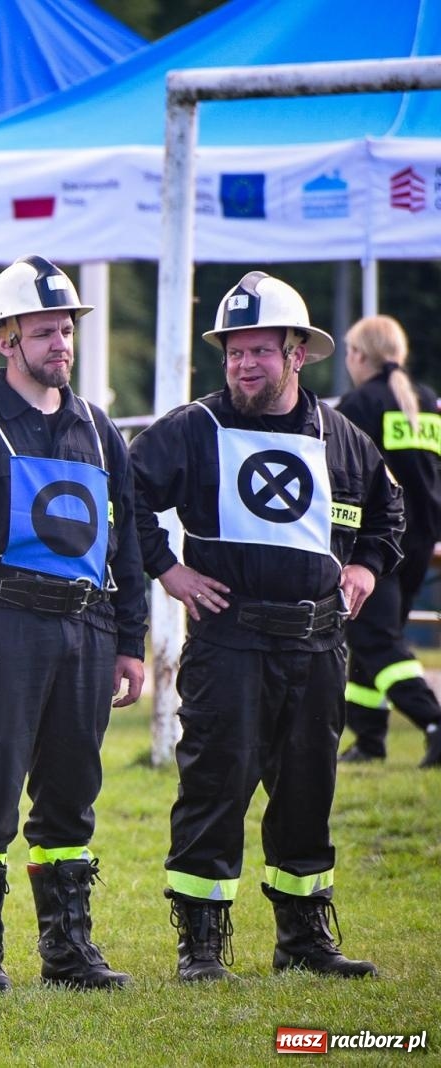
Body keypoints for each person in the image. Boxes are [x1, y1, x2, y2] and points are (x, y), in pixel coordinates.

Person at [130, 271, 403, 983]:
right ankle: (201, 947)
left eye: (260, 351)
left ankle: (304, 940)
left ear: (297, 354)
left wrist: (368, 566)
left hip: (316, 648)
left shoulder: (338, 436)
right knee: (214, 788)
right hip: (230, 644)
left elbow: (388, 511)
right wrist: (169, 570)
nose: (245, 365)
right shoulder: (196, 428)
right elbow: (124, 493)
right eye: (234, 353)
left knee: (309, 792)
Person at [0, 255, 146, 992]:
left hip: (87, 634)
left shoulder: (99, 429)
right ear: (8, 339)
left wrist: (132, 643)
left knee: (71, 791)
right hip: (1, 630)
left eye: (67, 331)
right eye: (46, 332)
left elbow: (127, 541)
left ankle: (68, 950)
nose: (61, 345)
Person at [335, 315, 441, 767]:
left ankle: (434, 720)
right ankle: (370, 739)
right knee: (373, 637)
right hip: (421, 540)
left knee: (374, 637)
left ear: (360, 356)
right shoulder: (427, 401)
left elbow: (344, 478)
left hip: (379, 542)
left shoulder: (359, 404)